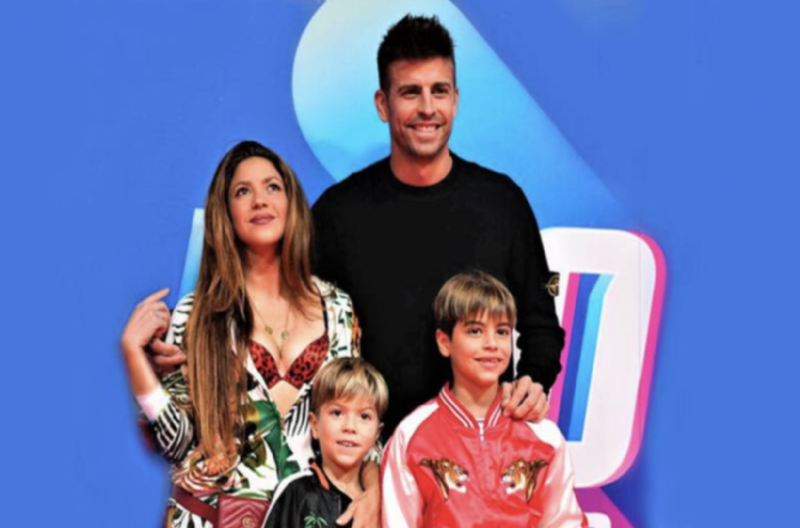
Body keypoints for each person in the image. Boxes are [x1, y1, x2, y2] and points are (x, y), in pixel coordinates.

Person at [312, 15, 565, 437]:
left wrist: (534, 379)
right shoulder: (336, 215)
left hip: (483, 452)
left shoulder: (502, 203)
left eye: (439, 91)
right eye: (410, 92)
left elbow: (541, 323)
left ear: (456, 100)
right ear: (382, 104)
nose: (427, 108)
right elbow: (296, 331)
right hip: (373, 456)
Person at [120, 141, 377, 528]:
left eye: (272, 187)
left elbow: (358, 419)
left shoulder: (338, 308)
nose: (260, 200)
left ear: (291, 202)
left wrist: (375, 485)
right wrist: (132, 353)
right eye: (243, 191)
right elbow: (177, 444)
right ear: (226, 214)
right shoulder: (196, 315)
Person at [381, 271, 586, 527]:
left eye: (502, 331)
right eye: (475, 330)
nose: (492, 344)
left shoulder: (544, 436)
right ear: (444, 342)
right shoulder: (411, 435)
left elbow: (565, 523)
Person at [265, 357, 388, 528]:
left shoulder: (388, 500)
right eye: (337, 413)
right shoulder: (296, 492)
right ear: (315, 425)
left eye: (364, 416)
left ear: (377, 433)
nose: (350, 427)